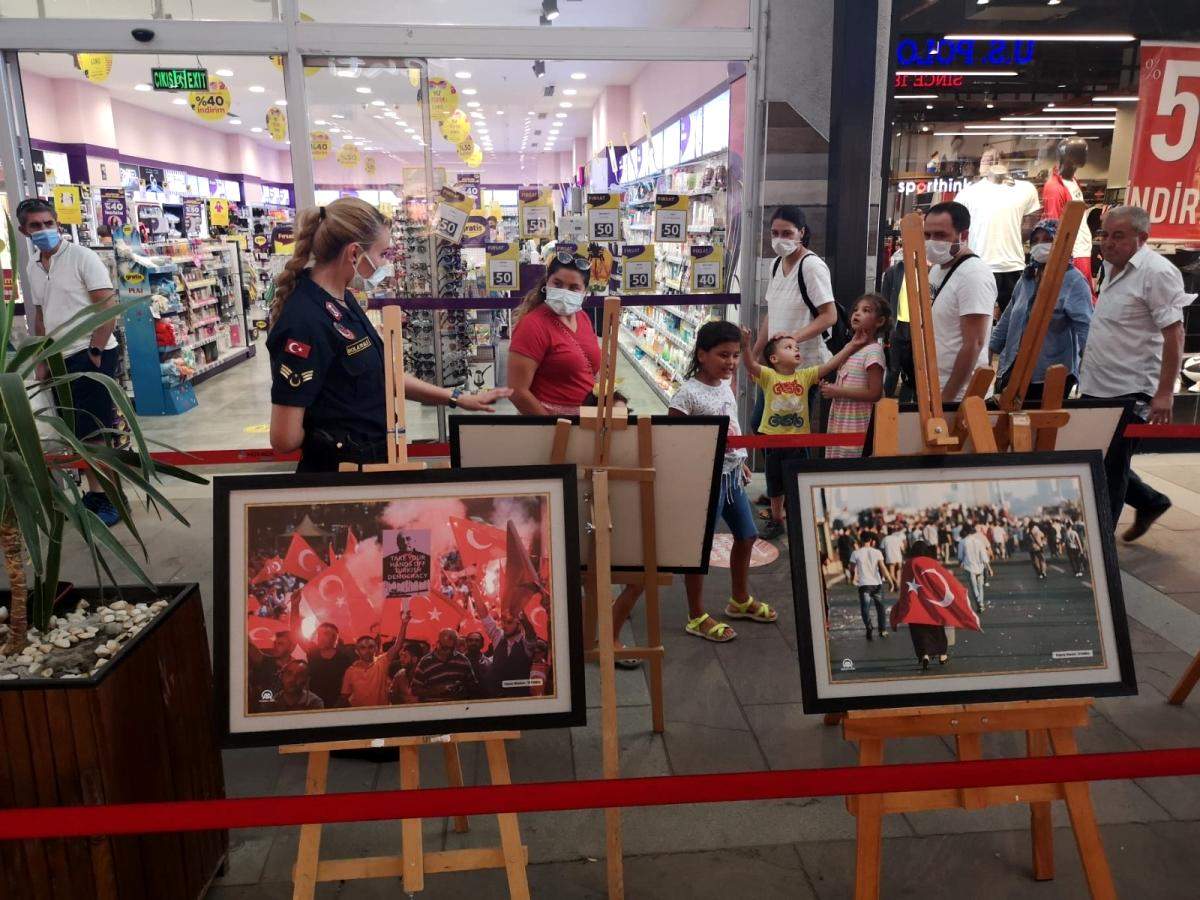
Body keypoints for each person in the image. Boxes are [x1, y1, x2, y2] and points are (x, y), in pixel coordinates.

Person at [267, 198, 510, 472]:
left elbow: (384, 375)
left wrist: (456, 398)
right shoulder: (305, 321)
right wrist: (328, 435)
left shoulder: (342, 300)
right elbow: (284, 438)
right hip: (339, 479)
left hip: (371, 464)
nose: (386, 264)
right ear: (354, 253)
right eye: (383, 254)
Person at [1079, 205, 1196, 540]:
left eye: (1118, 236)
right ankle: (1150, 501)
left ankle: (1101, 547)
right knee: (1098, 459)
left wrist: (1163, 393)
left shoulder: (1156, 273)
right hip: (1097, 385)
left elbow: (1174, 333)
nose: (1107, 242)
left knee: (1109, 469)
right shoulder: (1111, 268)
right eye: (1104, 234)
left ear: (1142, 238)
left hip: (1130, 390)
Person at [661, 321, 777, 641]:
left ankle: (739, 600)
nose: (730, 362)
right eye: (723, 355)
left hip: (730, 477)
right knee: (699, 549)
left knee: (747, 535)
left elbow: (732, 427)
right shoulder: (686, 395)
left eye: (736, 355)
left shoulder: (724, 385)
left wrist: (739, 462)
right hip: (703, 482)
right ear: (701, 355)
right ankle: (696, 614)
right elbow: (673, 442)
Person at [18, 198, 121, 525]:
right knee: (75, 431)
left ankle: (111, 500)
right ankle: (96, 493)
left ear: (58, 224)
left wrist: (95, 350)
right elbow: (41, 315)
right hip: (59, 358)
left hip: (90, 354)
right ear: (23, 230)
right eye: (35, 226)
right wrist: (42, 357)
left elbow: (107, 306)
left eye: (49, 223)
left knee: (94, 431)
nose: (44, 230)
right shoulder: (35, 266)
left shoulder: (82, 257)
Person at [741, 324, 873, 538]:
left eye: (796, 347)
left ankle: (797, 519)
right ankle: (777, 520)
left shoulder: (805, 376)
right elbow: (750, 365)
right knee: (774, 483)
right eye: (788, 347)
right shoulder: (768, 376)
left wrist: (851, 345)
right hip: (773, 442)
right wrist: (745, 345)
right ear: (774, 359)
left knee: (797, 480)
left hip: (798, 442)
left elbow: (830, 365)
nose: (796, 349)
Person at [990, 219, 1093, 401]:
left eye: (1047, 239)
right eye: (1035, 240)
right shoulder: (1027, 277)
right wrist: (990, 350)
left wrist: (1089, 373)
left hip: (1049, 374)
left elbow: (1086, 329)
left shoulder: (1073, 281)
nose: (1040, 245)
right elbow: (1008, 318)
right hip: (1013, 369)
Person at [507, 251, 599, 415]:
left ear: (585, 292)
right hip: (552, 427)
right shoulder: (532, 325)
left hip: (586, 421)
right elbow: (517, 391)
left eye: (574, 288)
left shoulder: (582, 318)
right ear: (546, 283)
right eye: (557, 284)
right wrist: (552, 427)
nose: (564, 291)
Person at [923, 202, 997, 402]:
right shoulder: (938, 269)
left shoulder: (973, 275)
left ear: (963, 235)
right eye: (927, 235)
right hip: (933, 387)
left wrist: (946, 399)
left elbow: (974, 343)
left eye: (940, 235)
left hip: (959, 397)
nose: (931, 241)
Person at [762, 206, 838, 368]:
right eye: (775, 233)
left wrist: (792, 338)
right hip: (776, 368)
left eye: (787, 233)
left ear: (801, 232)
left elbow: (829, 316)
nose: (780, 239)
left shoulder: (812, 266)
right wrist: (757, 354)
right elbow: (772, 314)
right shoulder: (775, 264)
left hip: (806, 369)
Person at [821, 293, 890, 459]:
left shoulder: (873, 351)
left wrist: (838, 392)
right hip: (841, 424)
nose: (857, 314)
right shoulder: (852, 348)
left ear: (879, 321)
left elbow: (875, 393)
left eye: (865, 310)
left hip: (856, 427)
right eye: (856, 310)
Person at [288, 593, 356, 709]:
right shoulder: (313, 651)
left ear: (334, 638)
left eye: (324, 634)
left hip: (338, 706)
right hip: (313, 705)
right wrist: (295, 606)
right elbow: (295, 632)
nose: (319, 637)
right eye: (319, 634)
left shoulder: (345, 657)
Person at [895, 541, 950, 670]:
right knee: (937, 628)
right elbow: (937, 581)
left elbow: (904, 584)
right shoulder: (929, 562)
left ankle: (924, 654)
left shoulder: (908, 564)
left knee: (919, 631)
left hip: (914, 603)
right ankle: (942, 655)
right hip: (931, 602)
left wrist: (903, 602)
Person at [339, 628, 406, 708]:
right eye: (363, 648)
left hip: (381, 712)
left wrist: (404, 623)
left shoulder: (381, 662)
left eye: (371, 647)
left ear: (376, 649)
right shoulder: (350, 671)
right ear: (357, 651)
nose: (367, 651)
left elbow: (397, 646)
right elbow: (344, 696)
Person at [481, 606, 538, 698]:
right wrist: (474, 591)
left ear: (519, 624)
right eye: (503, 622)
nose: (504, 626)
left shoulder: (526, 644)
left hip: (519, 700)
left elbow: (531, 635)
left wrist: (524, 619)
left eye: (509, 622)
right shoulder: (498, 637)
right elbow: (484, 617)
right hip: (495, 698)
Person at [849, 533, 895, 641]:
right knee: (881, 608)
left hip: (864, 584)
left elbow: (851, 568)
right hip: (877, 584)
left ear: (860, 540)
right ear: (870, 540)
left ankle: (868, 627)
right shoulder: (877, 552)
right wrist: (891, 582)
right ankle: (882, 630)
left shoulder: (855, 553)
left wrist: (853, 578)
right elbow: (883, 568)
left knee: (865, 609)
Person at [411, 628, 479, 700]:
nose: (448, 652)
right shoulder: (426, 662)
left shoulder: (463, 660)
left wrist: (462, 688)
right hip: (434, 708)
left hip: (457, 707)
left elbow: (473, 685)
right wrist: (434, 691)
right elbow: (415, 690)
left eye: (451, 648)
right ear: (438, 643)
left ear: (455, 645)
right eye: (444, 648)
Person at [958, 523, 993, 614]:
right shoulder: (979, 541)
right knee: (980, 587)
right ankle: (981, 603)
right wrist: (989, 568)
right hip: (980, 567)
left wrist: (960, 563)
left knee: (974, 587)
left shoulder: (962, 542)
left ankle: (979, 604)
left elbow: (960, 556)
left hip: (969, 567)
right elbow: (984, 556)